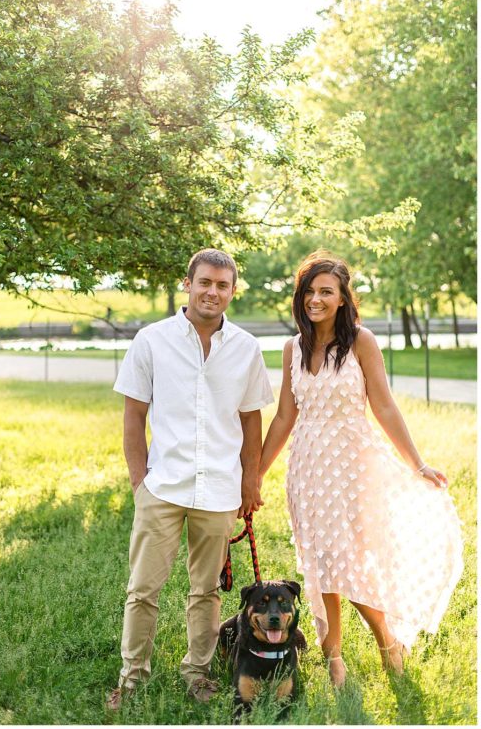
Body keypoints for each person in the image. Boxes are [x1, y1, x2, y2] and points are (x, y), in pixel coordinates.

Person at [259, 252, 463, 688]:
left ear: (341, 298)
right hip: (307, 466)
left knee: (347, 561)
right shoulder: (293, 348)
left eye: (325, 292)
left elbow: (384, 405)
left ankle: (387, 639)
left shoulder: (361, 341)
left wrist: (418, 462)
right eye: (309, 291)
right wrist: (254, 475)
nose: (316, 299)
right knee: (320, 563)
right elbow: (283, 417)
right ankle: (334, 658)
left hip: (352, 464)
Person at [106, 249, 274, 710]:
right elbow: (133, 417)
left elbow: (251, 420)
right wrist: (140, 483)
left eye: (222, 285)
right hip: (163, 486)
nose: (212, 292)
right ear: (188, 283)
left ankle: (197, 674)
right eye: (205, 282)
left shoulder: (246, 348)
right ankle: (133, 678)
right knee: (143, 590)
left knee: (206, 591)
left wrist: (250, 480)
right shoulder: (152, 340)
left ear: (232, 291)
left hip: (219, 489)